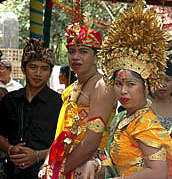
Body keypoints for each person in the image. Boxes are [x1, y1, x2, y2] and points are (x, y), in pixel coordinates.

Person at [81, 0, 172, 179]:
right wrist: (96, 164)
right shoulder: (122, 117)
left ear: (146, 87)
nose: (123, 91)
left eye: (131, 84)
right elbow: (119, 159)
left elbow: (158, 172)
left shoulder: (145, 124)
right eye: (118, 84)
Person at [39, 17, 117, 179]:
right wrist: (48, 164)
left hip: (89, 165)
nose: (75, 57)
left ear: (96, 57)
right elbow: (60, 133)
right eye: (72, 51)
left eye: (83, 51)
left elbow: (91, 143)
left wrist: (57, 171)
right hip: (64, 160)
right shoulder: (73, 88)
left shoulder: (102, 86)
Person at [0, 38, 63, 179]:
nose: (38, 74)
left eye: (44, 68)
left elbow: (66, 145)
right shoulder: (9, 100)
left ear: (50, 72)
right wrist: (10, 149)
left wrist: (37, 156)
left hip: (45, 173)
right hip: (10, 173)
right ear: (23, 69)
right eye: (33, 67)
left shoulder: (59, 104)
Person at [148, 60, 172, 156]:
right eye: (158, 79)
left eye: (167, 80)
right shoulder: (144, 104)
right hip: (150, 159)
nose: (162, 84)